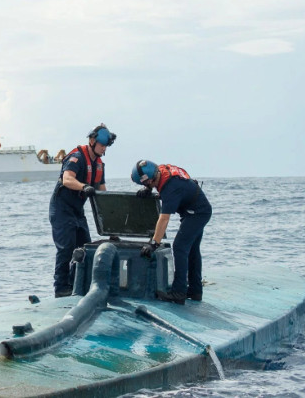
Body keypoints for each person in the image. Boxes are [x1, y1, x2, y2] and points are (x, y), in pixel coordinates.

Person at [49, 124, 116, 297]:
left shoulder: (99, 165)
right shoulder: (77, 158)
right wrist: (84, 187)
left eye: (106, 146)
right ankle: (61, 288)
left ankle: (77, 285)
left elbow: (102, 194)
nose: (104, 149)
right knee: (66, 248)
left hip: (78, 211)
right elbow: (67, 180)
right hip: (62, 209)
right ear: (92, 141)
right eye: (102, 145)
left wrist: (112, 226)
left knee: (85, 248)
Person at [132, 160, 212, 305]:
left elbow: (164, 219)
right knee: (192, 250)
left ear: (151, 179)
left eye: (146, 184)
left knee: (180, 247)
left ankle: (178, 293)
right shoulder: (161, 171)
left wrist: (154, 243)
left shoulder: (170, 187)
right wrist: (148, 190)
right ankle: (195, 291)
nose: (147, 185)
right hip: (198, 209)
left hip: (197, 213)